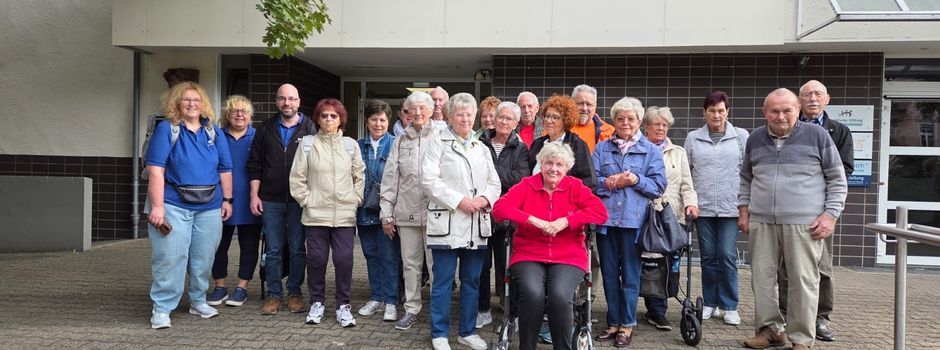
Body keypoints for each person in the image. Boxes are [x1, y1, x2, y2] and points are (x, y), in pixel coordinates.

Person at [739, 88, 847, 350]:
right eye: (774, 111)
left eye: (787, 110)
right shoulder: (755, 138)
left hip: (804, 223)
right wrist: (743, 209)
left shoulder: (817, 136)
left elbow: (837, 179)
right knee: (762, 280)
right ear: (764, 112)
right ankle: (770, 330)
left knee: (802, 281)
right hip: (762, 221)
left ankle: (801, 339)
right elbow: (745, 178)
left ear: (797, 109)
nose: (781, 116)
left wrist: (830, 215)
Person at [492, 141, 608, 350]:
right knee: (532, 293)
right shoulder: (527, 185)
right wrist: (532, 220)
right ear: (541, 164)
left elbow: (600, 213)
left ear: (567, 167)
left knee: (560, 296)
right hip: (529, 253)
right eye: (549, 163)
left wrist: (566, 221)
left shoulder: (576, 187)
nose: (554, 169)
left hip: (568, 255)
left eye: (559, 164)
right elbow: (499, 209)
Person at [145, 81, 233, 329]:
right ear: (176, 103)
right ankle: (162, 307)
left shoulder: (213, 131)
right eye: (186, 99)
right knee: (170, 257)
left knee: (203, 258)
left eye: (196, 99)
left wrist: (228, 200)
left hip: (210, 206)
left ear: (203, 104)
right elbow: (156, 170)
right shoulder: (167, 129)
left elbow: (225, 168)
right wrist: (157, 207)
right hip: (173, 205)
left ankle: (198, 301)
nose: (192, 104)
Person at [422, 93, 501, 350]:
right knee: (443, 281)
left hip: (476, 222)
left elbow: (494, 182)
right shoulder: (437, 142)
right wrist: (459, 201)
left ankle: (467, 332)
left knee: (472, 281)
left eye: (469, 114)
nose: (465, 119)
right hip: (447, 222)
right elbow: (429, 180)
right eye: (459, 114)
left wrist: (484, 199)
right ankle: (439, 334)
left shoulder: (481, 147)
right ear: (449, 116)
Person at [777, 80, 854, 342]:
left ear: (827, 99)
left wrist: (825, 205)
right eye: (807, 94)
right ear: (799, 101)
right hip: (789, 209)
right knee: (787, 266)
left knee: (822, 267)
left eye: (818, 94)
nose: (812, 98)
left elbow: (844, 170)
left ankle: (820, 318)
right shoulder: (787, 127)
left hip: (820, 209)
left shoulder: (839, 131)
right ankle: (787, 315)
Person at [592, 97, 666, 347]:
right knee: (610, 275)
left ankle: (627, 324)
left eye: (631, 118)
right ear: (614, 121)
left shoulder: (651, 150)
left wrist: (635, 179)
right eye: (620, 118)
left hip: (634, 223)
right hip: (606, 222)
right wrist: (609, 182)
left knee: (632, 276)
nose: (625, 122)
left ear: (639, 121)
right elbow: (591, 182)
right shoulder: (601, 149)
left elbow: (658, 186)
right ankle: (613, 322)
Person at [289, 98, 365, 327]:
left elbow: (359, 175)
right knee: (316, 260)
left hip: (344, 214)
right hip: (315, 215)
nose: (329, 119)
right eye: (324, 115)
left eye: (334, 115)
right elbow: (297, 177)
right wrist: (307, 200)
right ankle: (317, 303)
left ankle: (343, 305)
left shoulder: (350, 145)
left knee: (344, 260)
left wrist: (356, 199)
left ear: (341, 119)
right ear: (318, 119)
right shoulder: (308, 144)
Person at [249, 83, 318, 315]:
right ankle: (274, 294)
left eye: (291, 99)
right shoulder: (265, 128)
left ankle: (295, 293)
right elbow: (255, 164)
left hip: (299, 200)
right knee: (273, 249)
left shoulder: (311, 128)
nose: (286, 103)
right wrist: (254, 195)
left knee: (298, 248)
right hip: (270, 198)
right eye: (282, 98)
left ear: (299, 102)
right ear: (277, 101)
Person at [683, 91, 749, 325]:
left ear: (727, 112)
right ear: (704, 112)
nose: (716, 115)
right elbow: (687, 172)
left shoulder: (741, 136)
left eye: (721, 110)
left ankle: (730, 305)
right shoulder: (693, 138)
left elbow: (748, 173)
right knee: (708, 257)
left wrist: (746, 206)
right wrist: (689, 202)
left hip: (731, 207)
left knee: (727, 255)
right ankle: (710, 302)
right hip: (703, 209)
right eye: (712, 110)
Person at [380, 91, 440, 331]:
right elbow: (390, 179)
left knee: (437, 266)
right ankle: (412, 309)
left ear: (431, 111)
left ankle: (438, 312)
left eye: (422, 108)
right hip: (406, 213)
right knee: (410, 265)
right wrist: (386, 213)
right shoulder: (400, 140)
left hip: (436, 214)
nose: (417, 113)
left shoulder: (441, 136)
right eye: (412, 109)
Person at [640, 106, 699, 330]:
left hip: (672, 215)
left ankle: (659, 308)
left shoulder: (678, 152)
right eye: (657, 124)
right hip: (647, 214)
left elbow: (686, 183)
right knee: (650, 261)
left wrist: (691, 203)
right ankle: (654, 309)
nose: (661, 128)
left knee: (668, 262)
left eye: (665, 125)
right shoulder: (640, 149)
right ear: (646, 126)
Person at [476, 101, 529, 329]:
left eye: (509, 119)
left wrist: (490, 173)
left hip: (508, 217)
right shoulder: (480, 143)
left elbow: (520, 179)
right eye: (500, 117)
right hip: (482, 214)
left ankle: (511, 315)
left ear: (516, 123)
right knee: (481, 267)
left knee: (508, 268)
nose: (503, 122)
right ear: (494, 119)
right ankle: (483, 310)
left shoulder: (521, 148)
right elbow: (473, 175)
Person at [206, 95, 262, 308]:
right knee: (218, 246)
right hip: (220, 200)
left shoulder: (258, 137)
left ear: (250, 116)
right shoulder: (216, 136)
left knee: (249, 246)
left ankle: (242, 287)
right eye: (234, 111)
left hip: (250, 200)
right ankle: (220, 286)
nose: (239, 115)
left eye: (244, 111)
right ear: (227, 115)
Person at [355, 100, 401, 322]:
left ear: (388, 121)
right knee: (371, 256)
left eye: (382, 119)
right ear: (367, 121)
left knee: (389, 257)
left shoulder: (396, 144)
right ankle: (376, 297)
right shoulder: (357, 145)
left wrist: (390, 212)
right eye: (374, 119)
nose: (378, 124)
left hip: (387, 211)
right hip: (364, 210)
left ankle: (391, 300)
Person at [529, 95, 596, 190]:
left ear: (566, 121)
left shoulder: (577, 145)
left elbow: (590, 181)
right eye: (547, 116)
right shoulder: (537, 144)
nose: (549, 121)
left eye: (555, 117)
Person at [570, 84, 615, 153]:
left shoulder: (609, 132)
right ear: (571, 104)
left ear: (595, 106)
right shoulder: (560, 128)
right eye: (580, 103)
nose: (584, 108)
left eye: (589, 104)